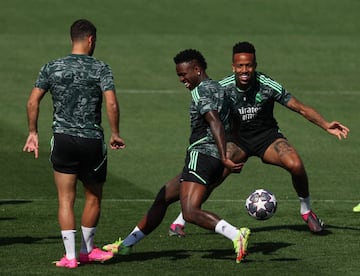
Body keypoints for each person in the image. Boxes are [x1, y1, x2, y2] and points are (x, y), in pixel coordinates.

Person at [168, 41, 350, 236]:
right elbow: (208, 117)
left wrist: (325, 124)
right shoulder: (222, 88)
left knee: (296, 164)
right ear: (233, 66)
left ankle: (306, 211)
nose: (244, 70)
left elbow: (299, 107)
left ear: (255, 65)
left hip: (267, 138)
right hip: (237, 140)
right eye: (240, 66)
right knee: (213, 175)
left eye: (249, 65)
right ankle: (182, 218)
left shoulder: (266, 84)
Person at [103, 49, 250, 264]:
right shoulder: (221, 88)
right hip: (212, 159)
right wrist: (230, 149)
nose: (182, 80)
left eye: (184, 74)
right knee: (163, 198)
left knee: (189, 212)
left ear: (197, 70)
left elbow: (215, 121)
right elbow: (236, 119)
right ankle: (127, 245)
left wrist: (224, 155)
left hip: (201, 157)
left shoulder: (200, 91)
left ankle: (236, 234)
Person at [23, 19, 125, 269]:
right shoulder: (101, 68)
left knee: (65, 199)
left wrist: (32, 132)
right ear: (90, 39)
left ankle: (69, 257)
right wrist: (115, 133)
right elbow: (111, 103)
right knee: (93, 197)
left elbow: (32, 102)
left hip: (63, 139)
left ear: (73, 39)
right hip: (91, 140)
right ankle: (87, 251)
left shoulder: (51, 67)